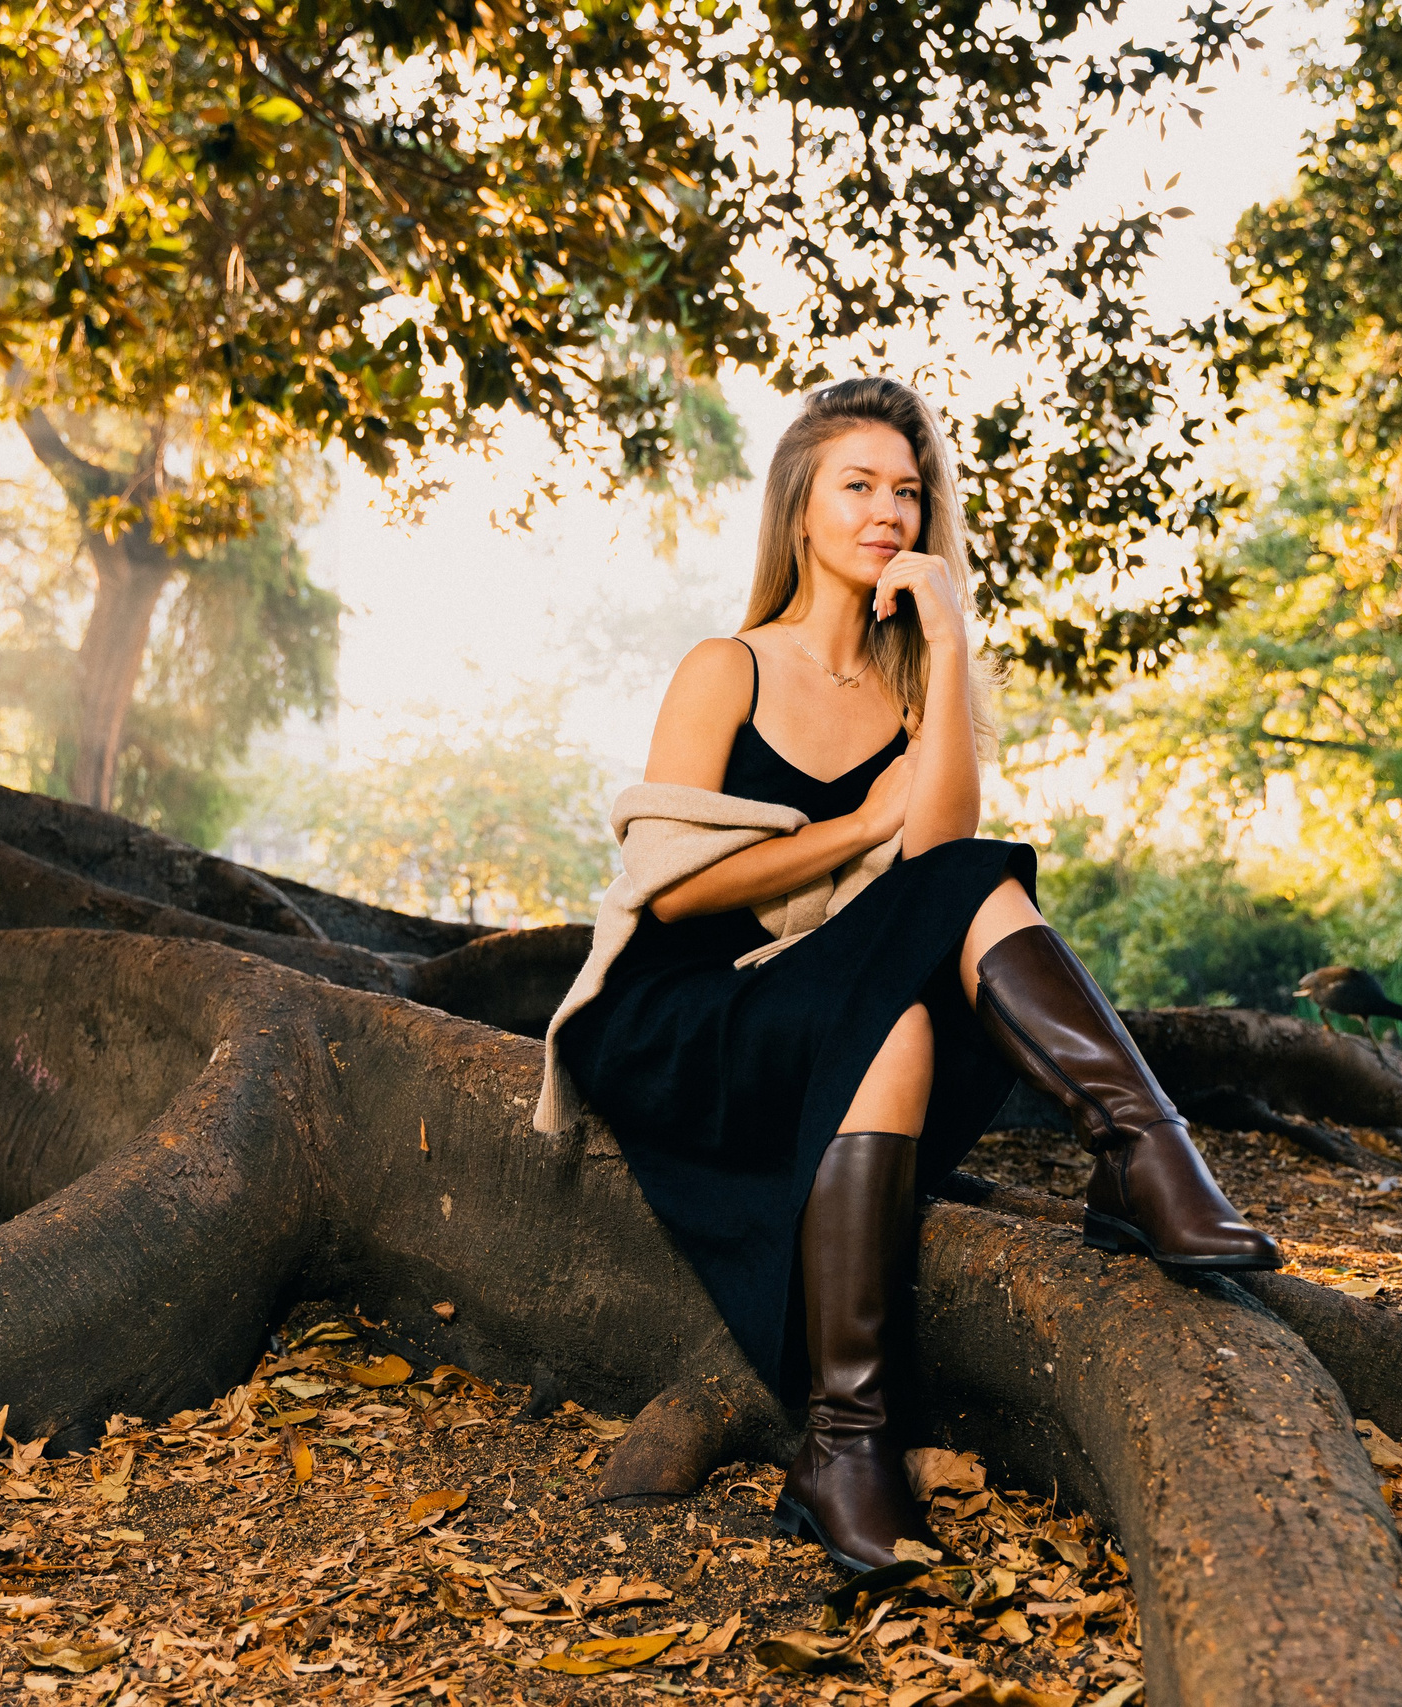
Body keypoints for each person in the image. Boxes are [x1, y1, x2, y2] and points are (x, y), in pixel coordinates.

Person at [538, 377, 1279, 1577]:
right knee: (915, 969)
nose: (888, 510)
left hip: (822, 998)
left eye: (907, 490)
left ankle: (850, 1449)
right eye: (858, 486)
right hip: (685, 1013)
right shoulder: (727, 666)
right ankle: (1145, 1157)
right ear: (799, 507)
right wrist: (853, 826)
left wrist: (947, 642)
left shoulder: (906, 684)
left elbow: (936, 870)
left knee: (912, 1004)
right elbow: (669, 890)